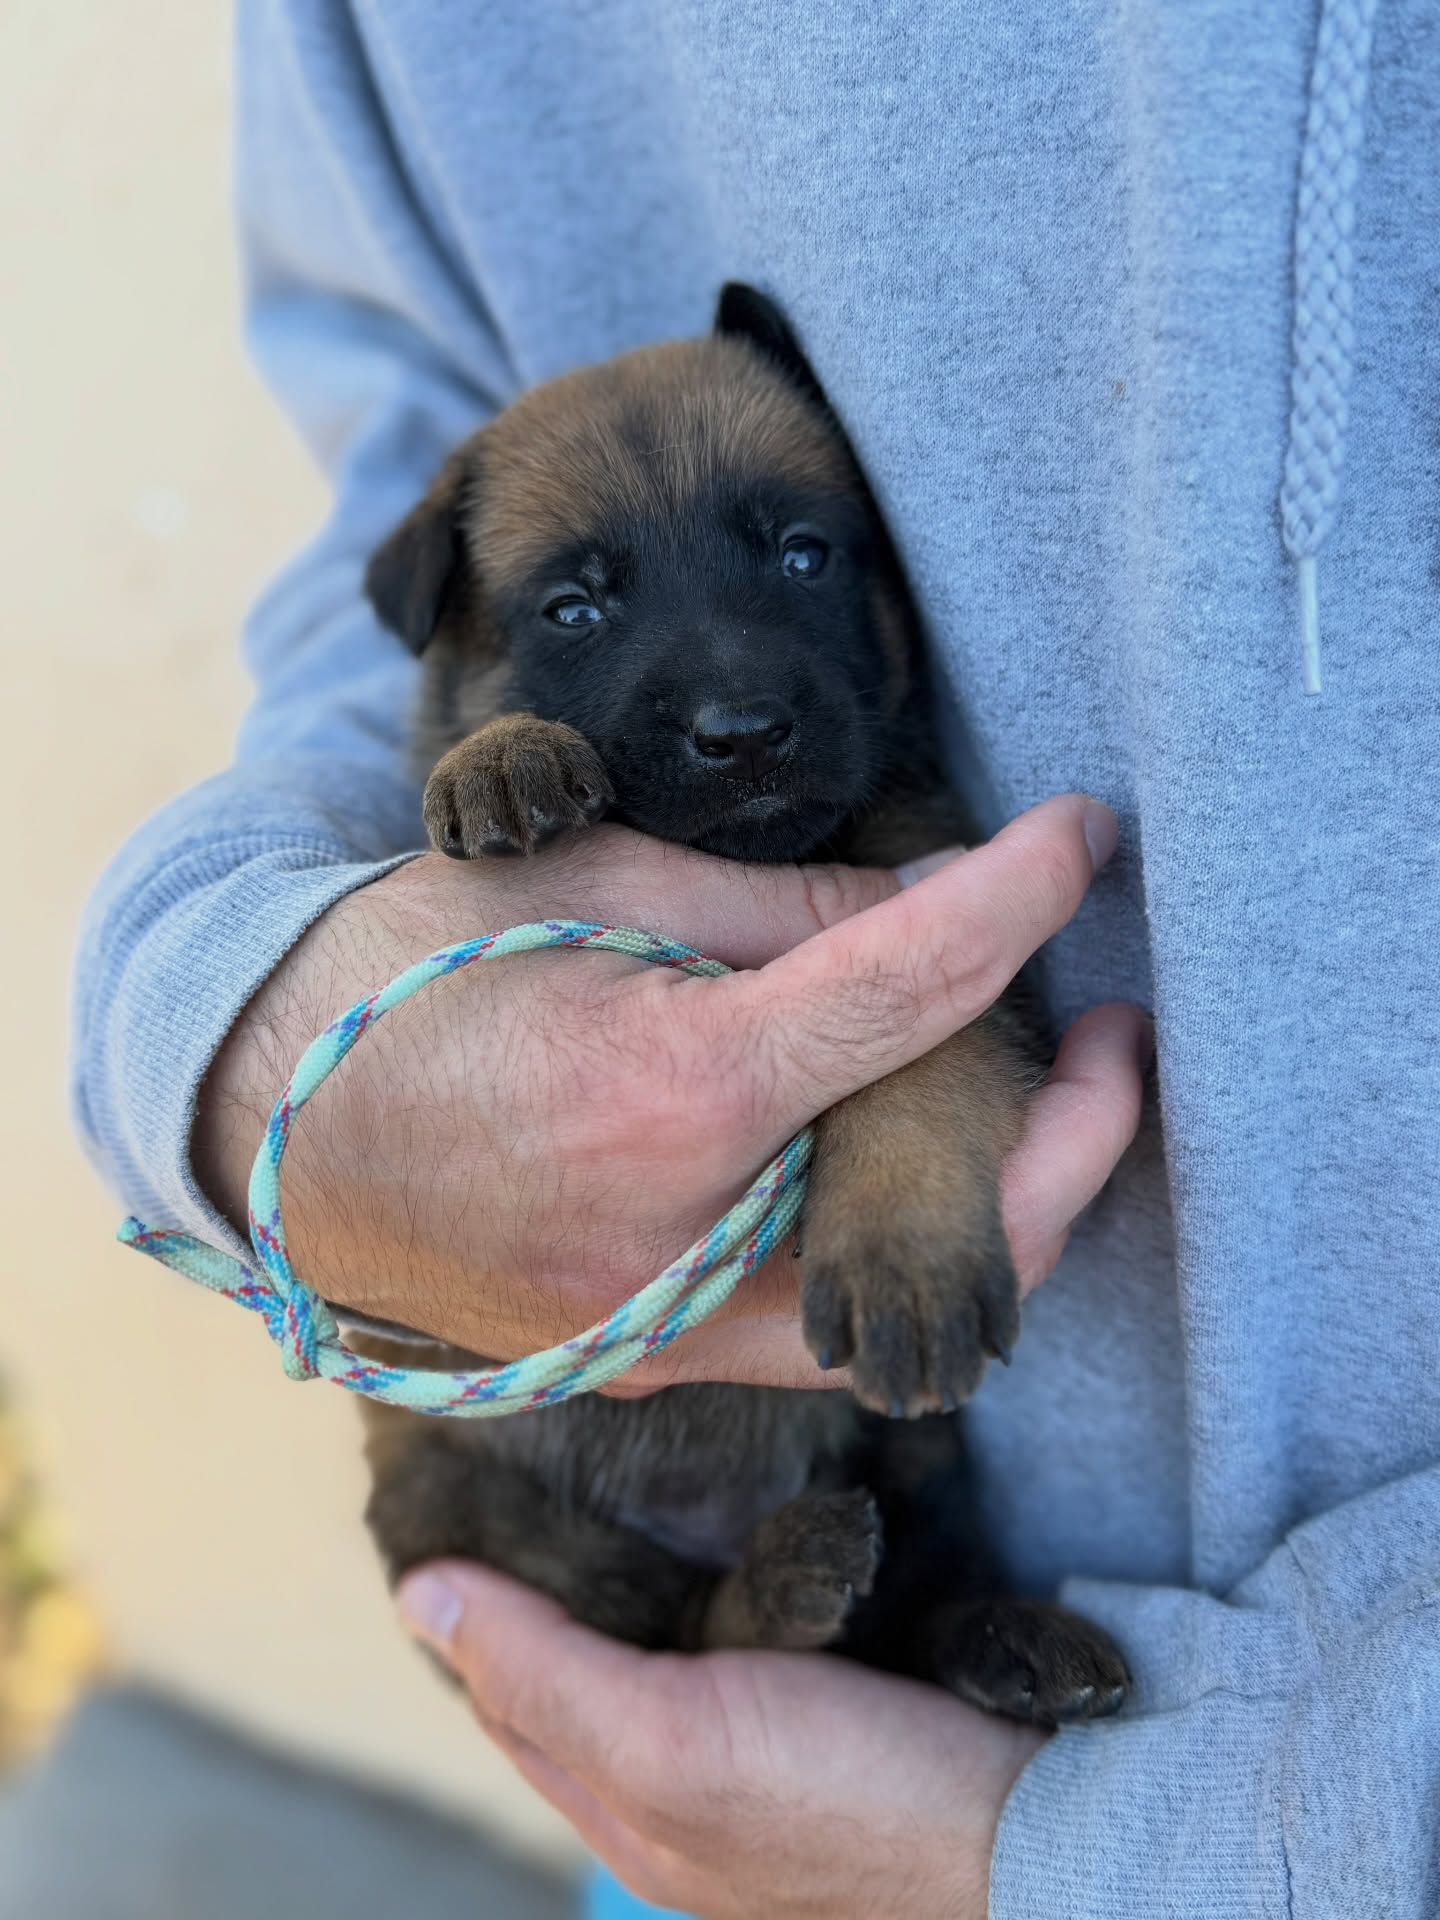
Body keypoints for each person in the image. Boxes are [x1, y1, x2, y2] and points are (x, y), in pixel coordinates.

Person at [72, 2, 1440, 1915]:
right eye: (578, 607)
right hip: (624, 1689)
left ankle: (888, 1635)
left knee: (899, 1491)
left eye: (796, 555)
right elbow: (374, 535)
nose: (723, 689)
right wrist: (242, 1036)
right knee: (500, 1539)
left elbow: (935, 1033)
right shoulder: (499, 756)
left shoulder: (892, 824)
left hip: (1052, 1770)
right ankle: (734, 1638)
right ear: (474, 640)